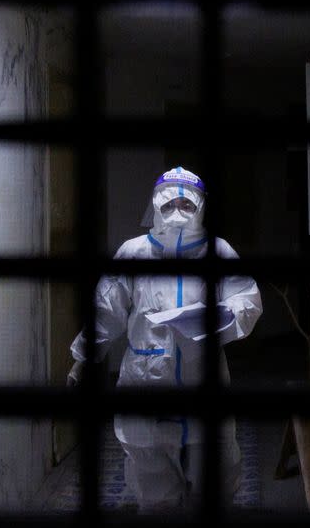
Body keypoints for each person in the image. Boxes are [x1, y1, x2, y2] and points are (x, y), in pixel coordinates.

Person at [67, 167, 263, 512]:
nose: (177, 212)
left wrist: (221, 315)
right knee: (154, 492)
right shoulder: (133, 253)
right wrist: (83, 358)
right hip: (146, 385)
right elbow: (105, 312)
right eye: (169, 203)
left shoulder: (218, 251)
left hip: (202, 380)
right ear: (155, 206)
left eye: (186, 205)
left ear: (201, 208)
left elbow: (247, 298)